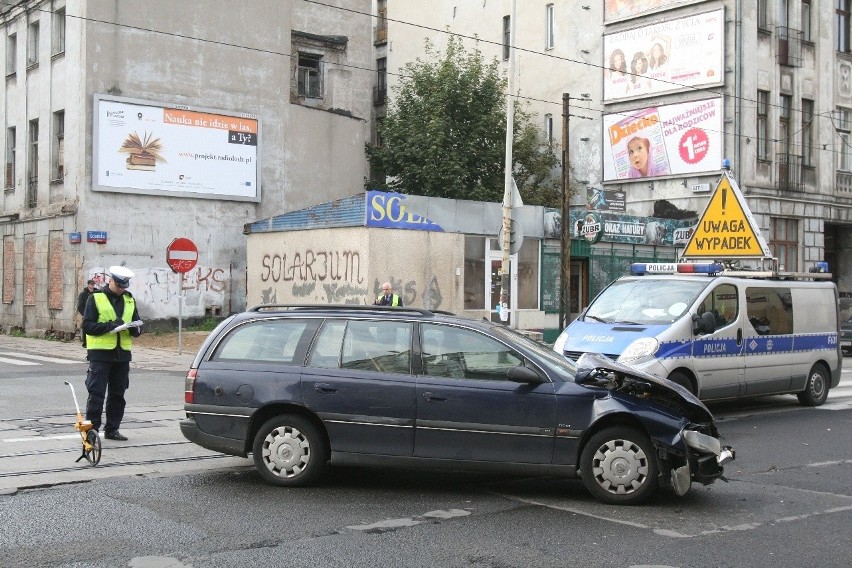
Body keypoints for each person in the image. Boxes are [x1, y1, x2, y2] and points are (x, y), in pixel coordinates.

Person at [82, 266, 142, 441]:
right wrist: (110, 326)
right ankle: (91, 432)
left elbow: (137, 323)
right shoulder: (95, 298)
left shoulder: (130, 300)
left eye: (125, 286)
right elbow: (87, 326)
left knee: (118, 395)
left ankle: (112, 429)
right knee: (96, 395)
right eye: (119, 286)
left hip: (122, 356)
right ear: (111, 281)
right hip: (100, 355)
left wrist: (136, 329)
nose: (122, 289)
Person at [76, 279, 96, 345]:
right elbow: (80, 305)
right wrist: (83, 313)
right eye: (91, 284)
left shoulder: (96, 293)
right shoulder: (83, 294)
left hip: (94, 313)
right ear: (88, 285)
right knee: (86, 327)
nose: (92, 286)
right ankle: (85, 342)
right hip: (86, 313)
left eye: (93, 284)